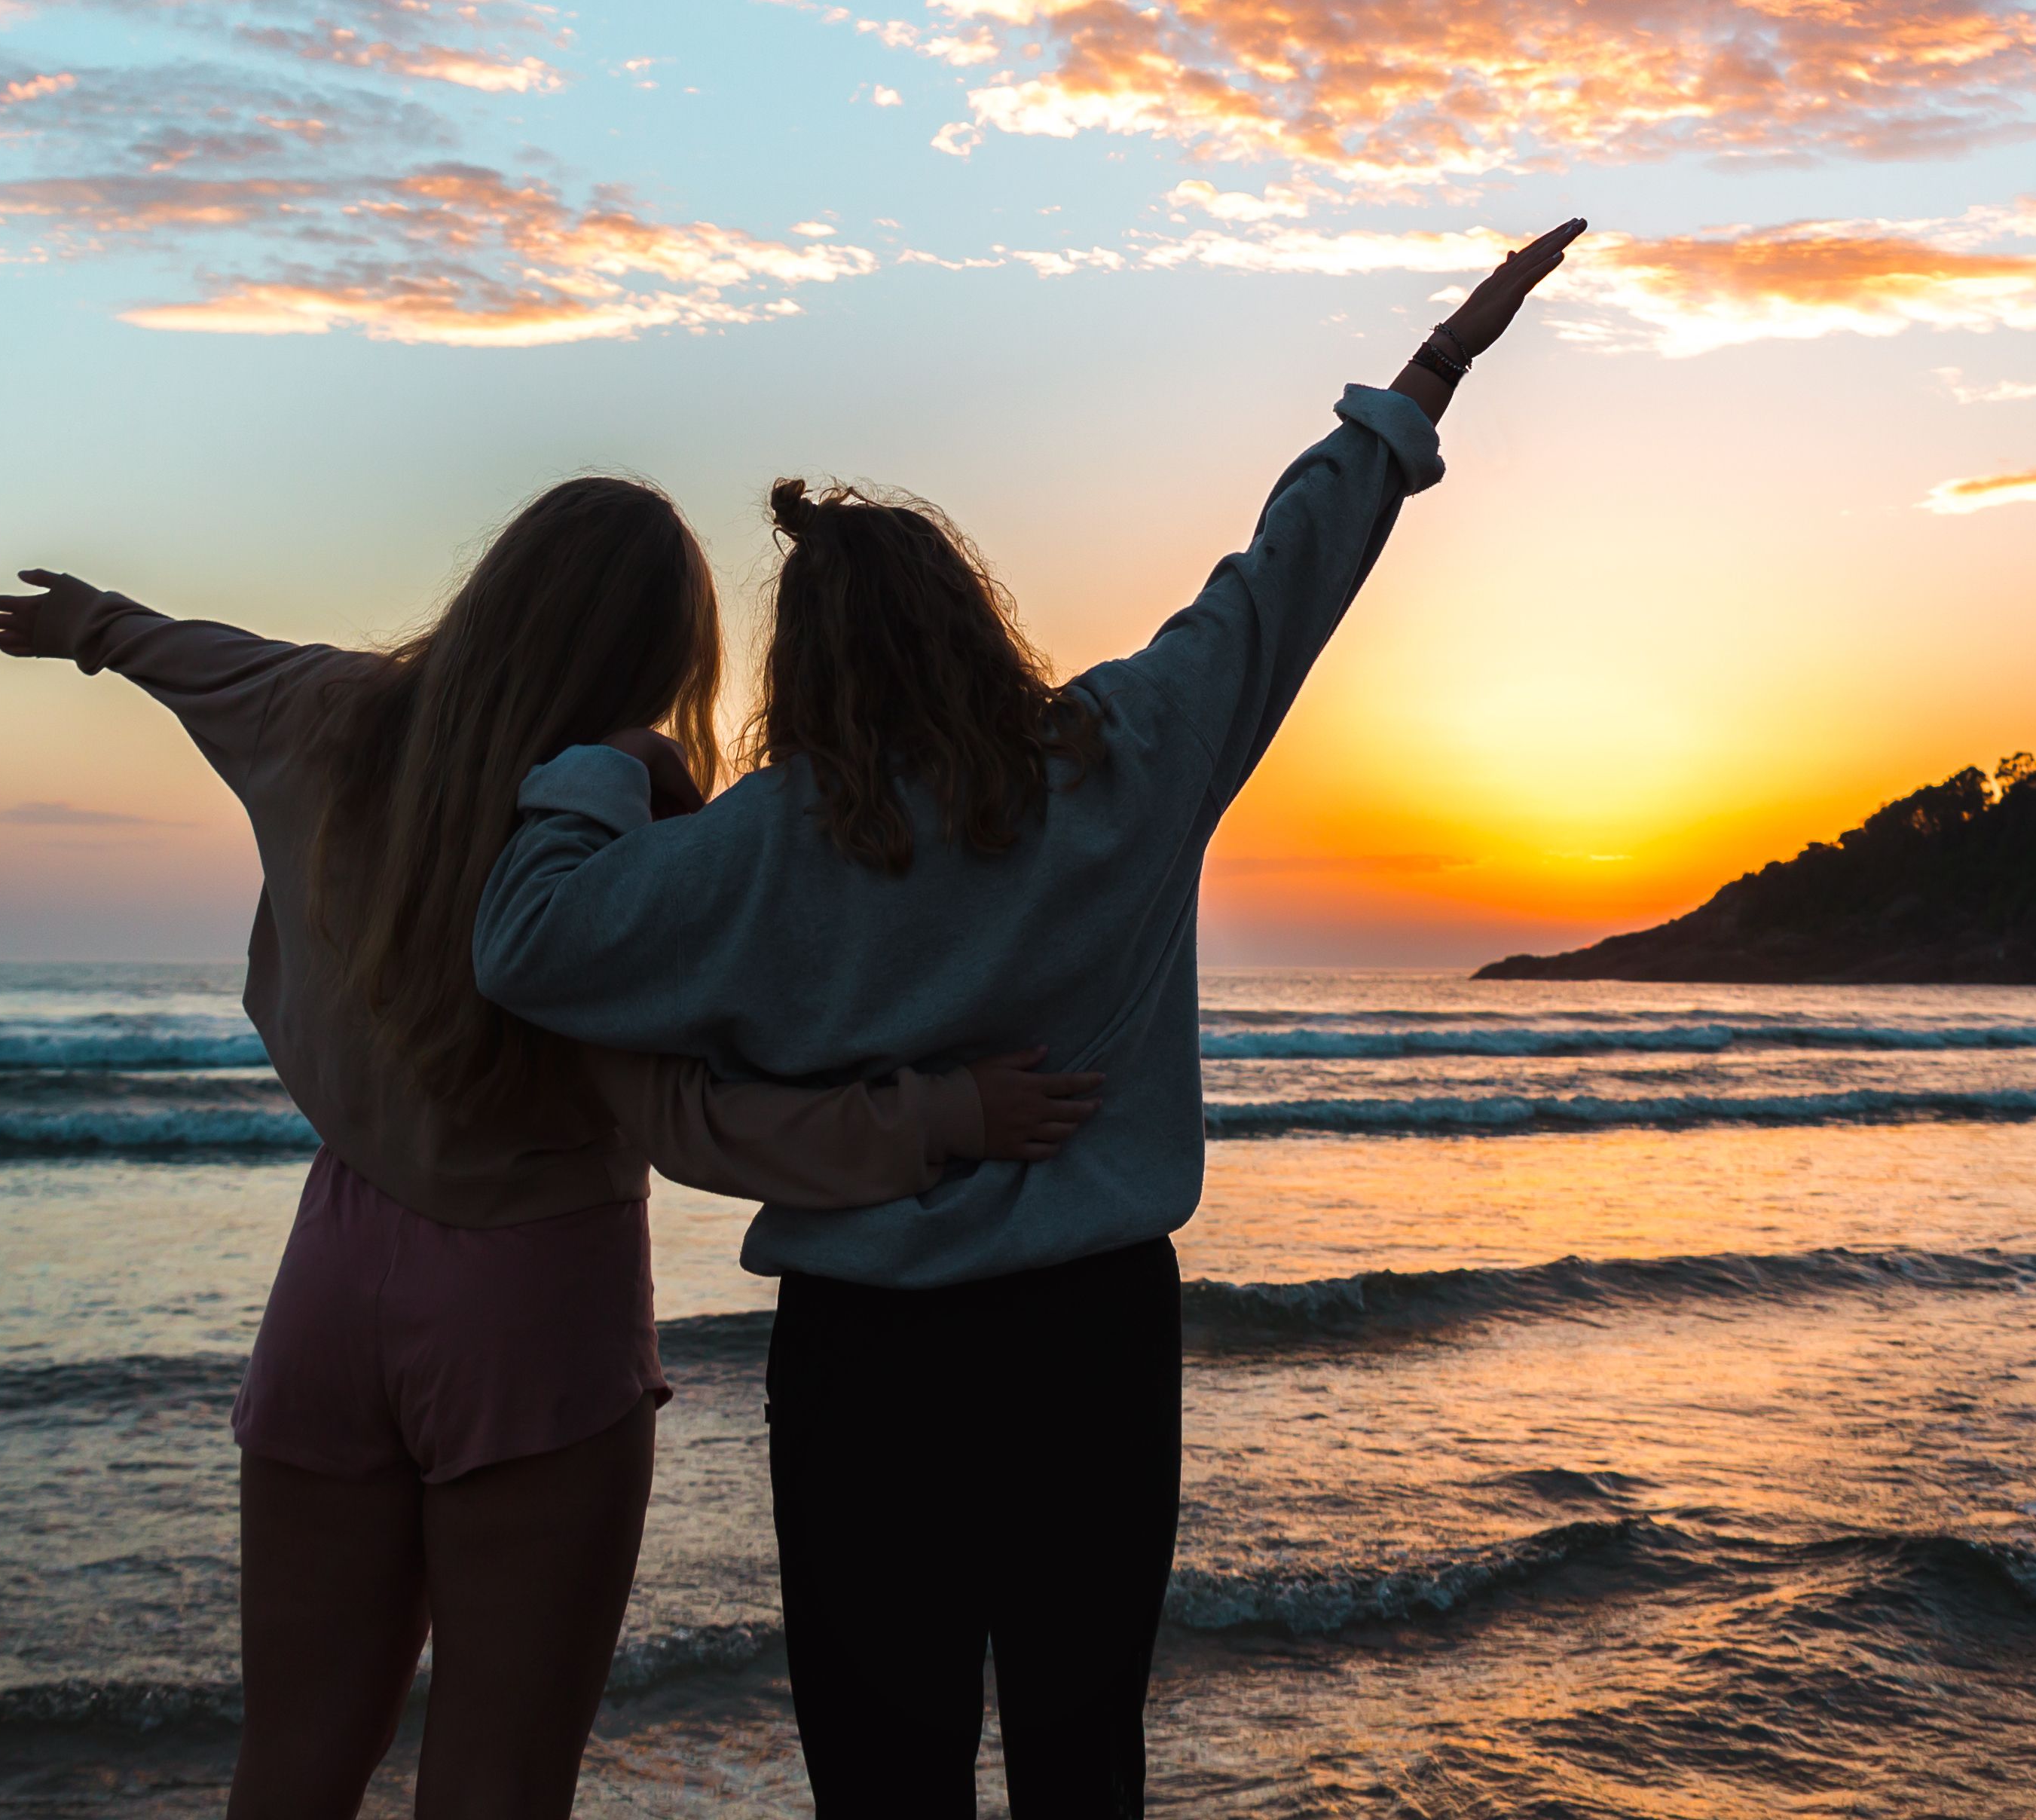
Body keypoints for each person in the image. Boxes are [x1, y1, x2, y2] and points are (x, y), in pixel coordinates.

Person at [472, 220, 1585, 1818]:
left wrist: (613, 765)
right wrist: (1429, 374)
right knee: (1082, 1757)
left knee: (883, 1775)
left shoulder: (762, 845)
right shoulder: (1121, 755)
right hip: (1092, 1337)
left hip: (871, 1366)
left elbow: (524, 940)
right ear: (971, 619)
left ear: (810, 662)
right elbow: (1284, 577)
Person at [0, 478, 1105, 1820]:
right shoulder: (612, 851)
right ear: (670, 657)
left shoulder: (335, 716)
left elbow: (201, 660)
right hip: (534, 1304)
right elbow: (693, 1123)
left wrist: (95, 625)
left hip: (332, 1279)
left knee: (291, 1765)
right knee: (498, 1781)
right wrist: (944, 1119)